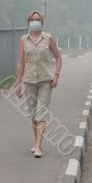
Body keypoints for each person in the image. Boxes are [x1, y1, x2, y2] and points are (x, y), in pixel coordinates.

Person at [16, 11, 62, 158]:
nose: (35, 22)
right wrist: (18, 83)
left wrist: (56, 75)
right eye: (32, 20)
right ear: (29, 22)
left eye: (37, 20)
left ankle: (38, 146)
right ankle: (37, 142)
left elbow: (58, 57)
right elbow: (21, 62)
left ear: (41, 22)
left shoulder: (48, 38)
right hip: (29, 81)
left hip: (45, 81)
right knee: (33, 115)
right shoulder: (24, 40)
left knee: (42, 114)